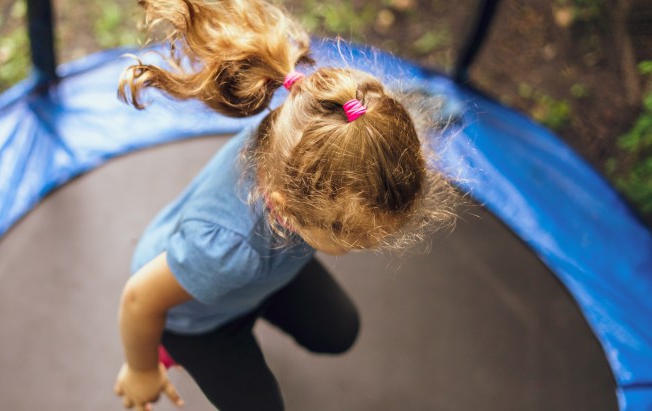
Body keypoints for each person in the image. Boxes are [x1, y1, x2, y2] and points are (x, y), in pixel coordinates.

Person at [113, 0, 456, 409]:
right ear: (288, 209)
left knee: (338, 332)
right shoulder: (224, 250)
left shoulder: (310, 138)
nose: (362, 245)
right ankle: (173, 347)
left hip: (259, 274)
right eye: (350, 235)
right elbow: (138, 300)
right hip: (195, 316)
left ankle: (255, 299)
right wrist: (141, 368)